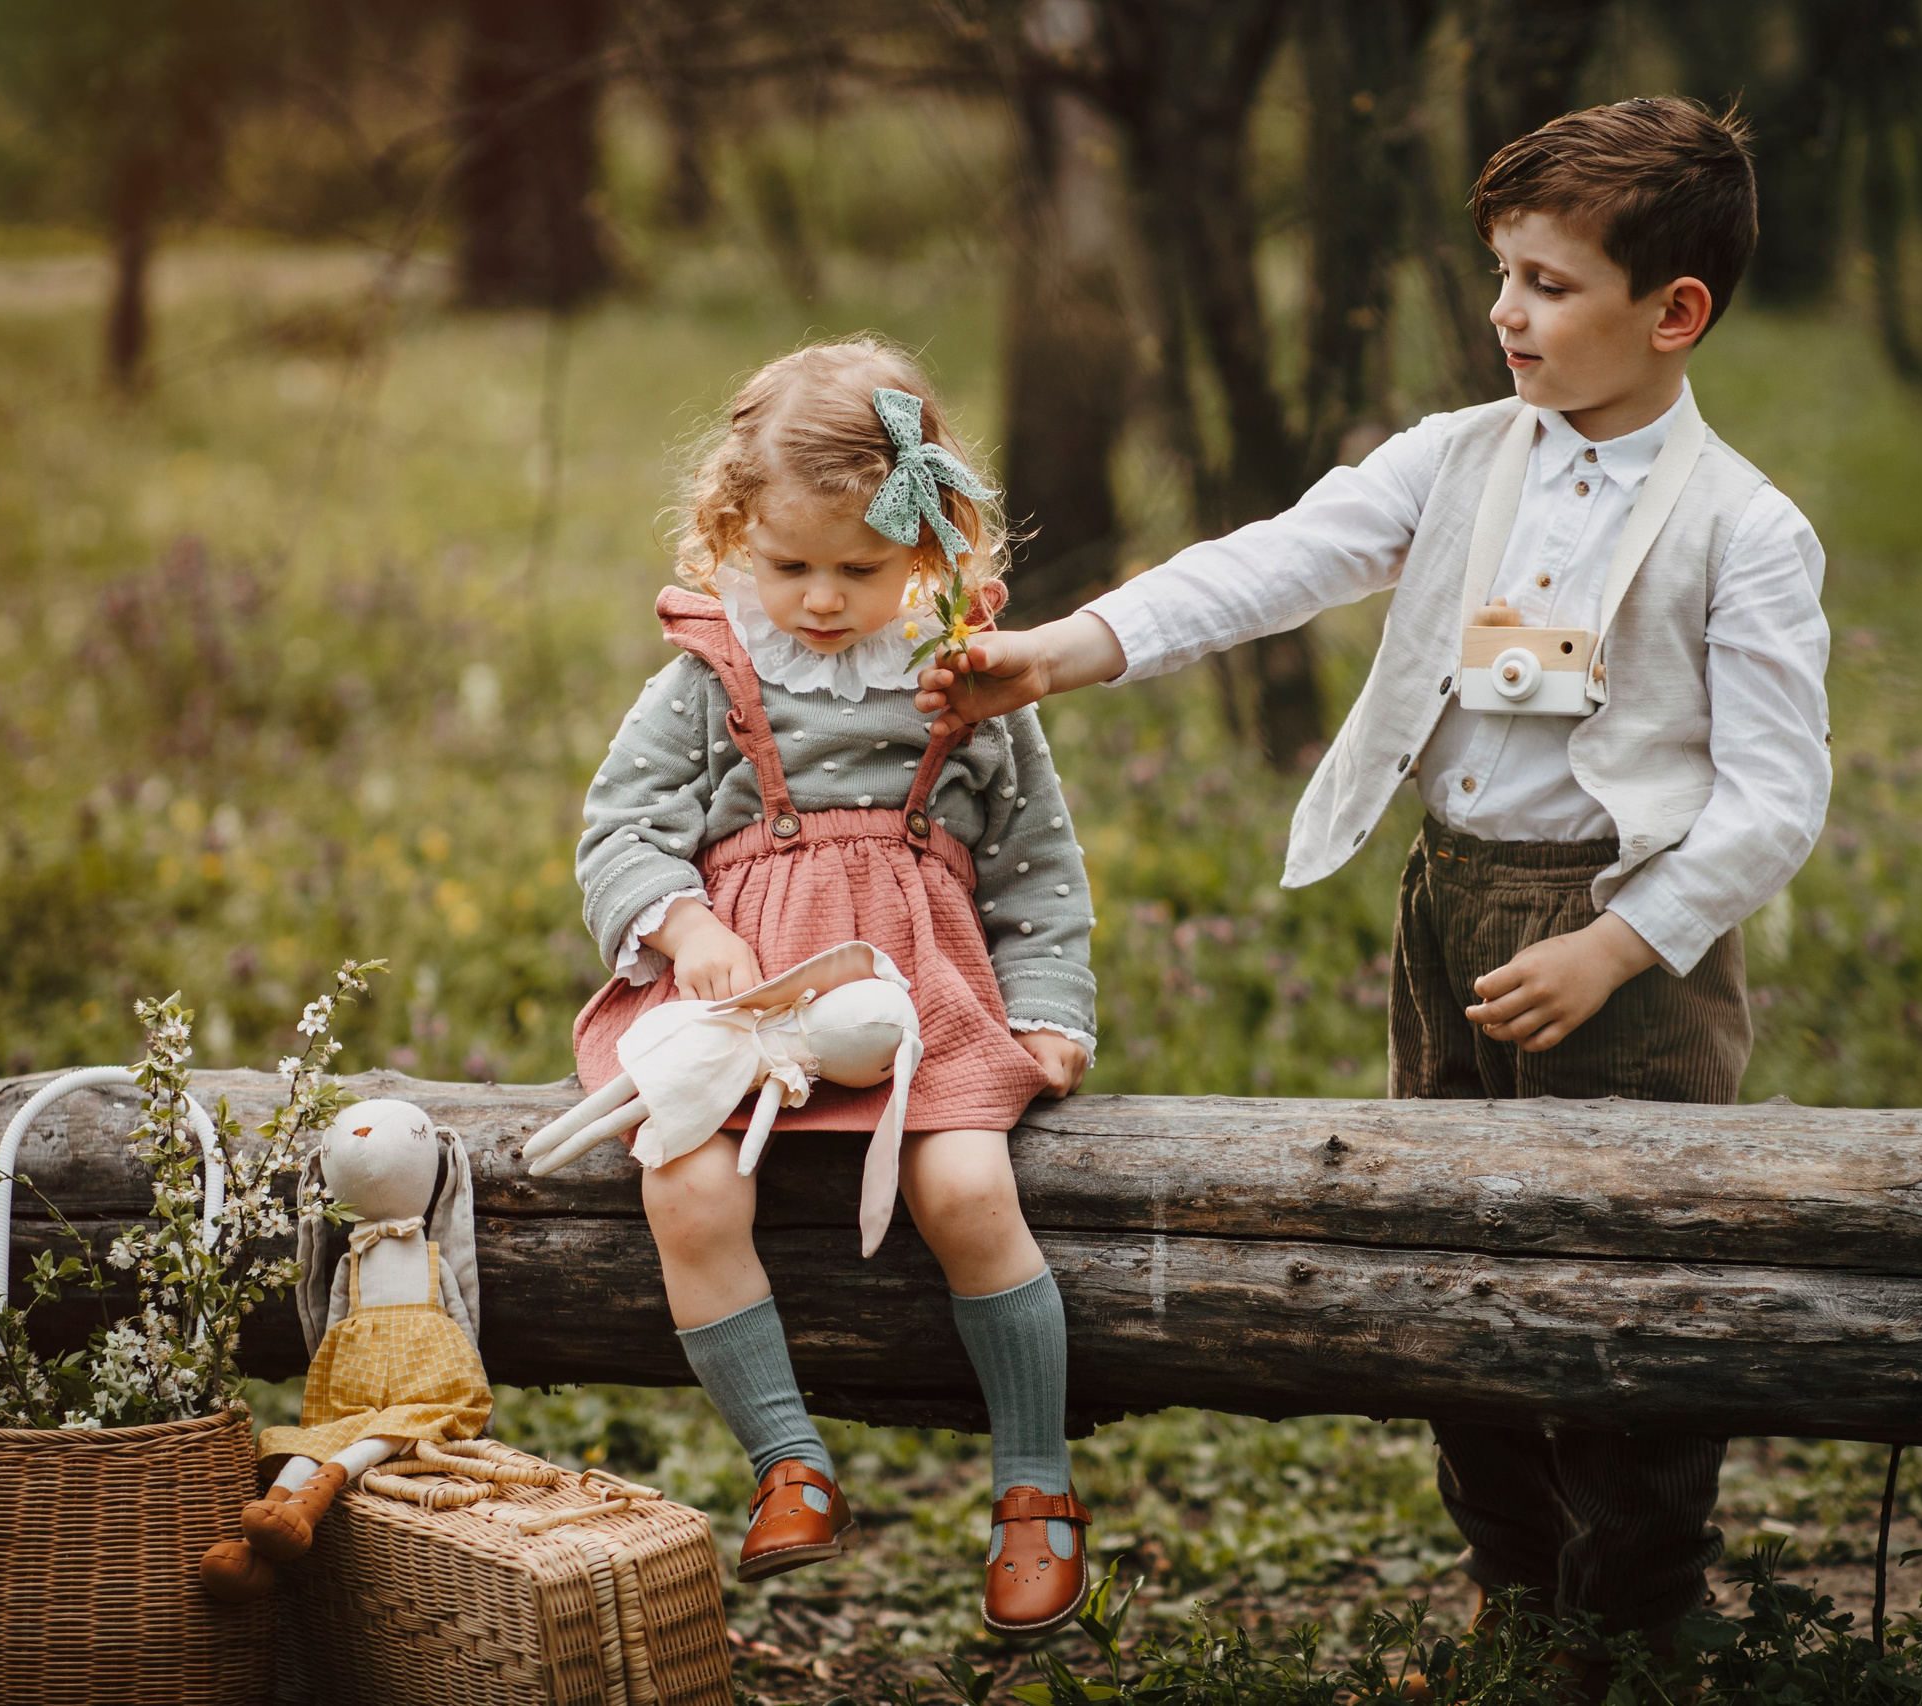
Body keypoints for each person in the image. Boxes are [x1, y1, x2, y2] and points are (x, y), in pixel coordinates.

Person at [918, 98, 1831, 1647]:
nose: (1505, 310)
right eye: (1503, 273)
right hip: (1453, 910)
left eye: (1549, 282)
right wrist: (1062, 652)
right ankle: (1517, 1584)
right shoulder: (1457, 458)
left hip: (1622, 948)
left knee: (1623, 1279)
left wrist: (1623, 943)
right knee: (1450, 1254)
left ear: (1675, 313)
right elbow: (1274, 558)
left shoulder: (1749, 529)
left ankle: (1639, 1611)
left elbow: (1777, 796)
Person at [572, 338, 1103, 1639]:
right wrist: (686, 923)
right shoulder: (710, 677)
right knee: (682, 1178)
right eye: (789, 564)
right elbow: (620, 829)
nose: (820, 599)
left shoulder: (970, 680)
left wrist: (1051, 1006)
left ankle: (1034, 1483)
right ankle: (787, 1461)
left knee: (968, 1187)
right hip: (751, 999)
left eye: (861, 570)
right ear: (733, 531)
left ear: (928, 548)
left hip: (918, 999)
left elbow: (1037, 865)